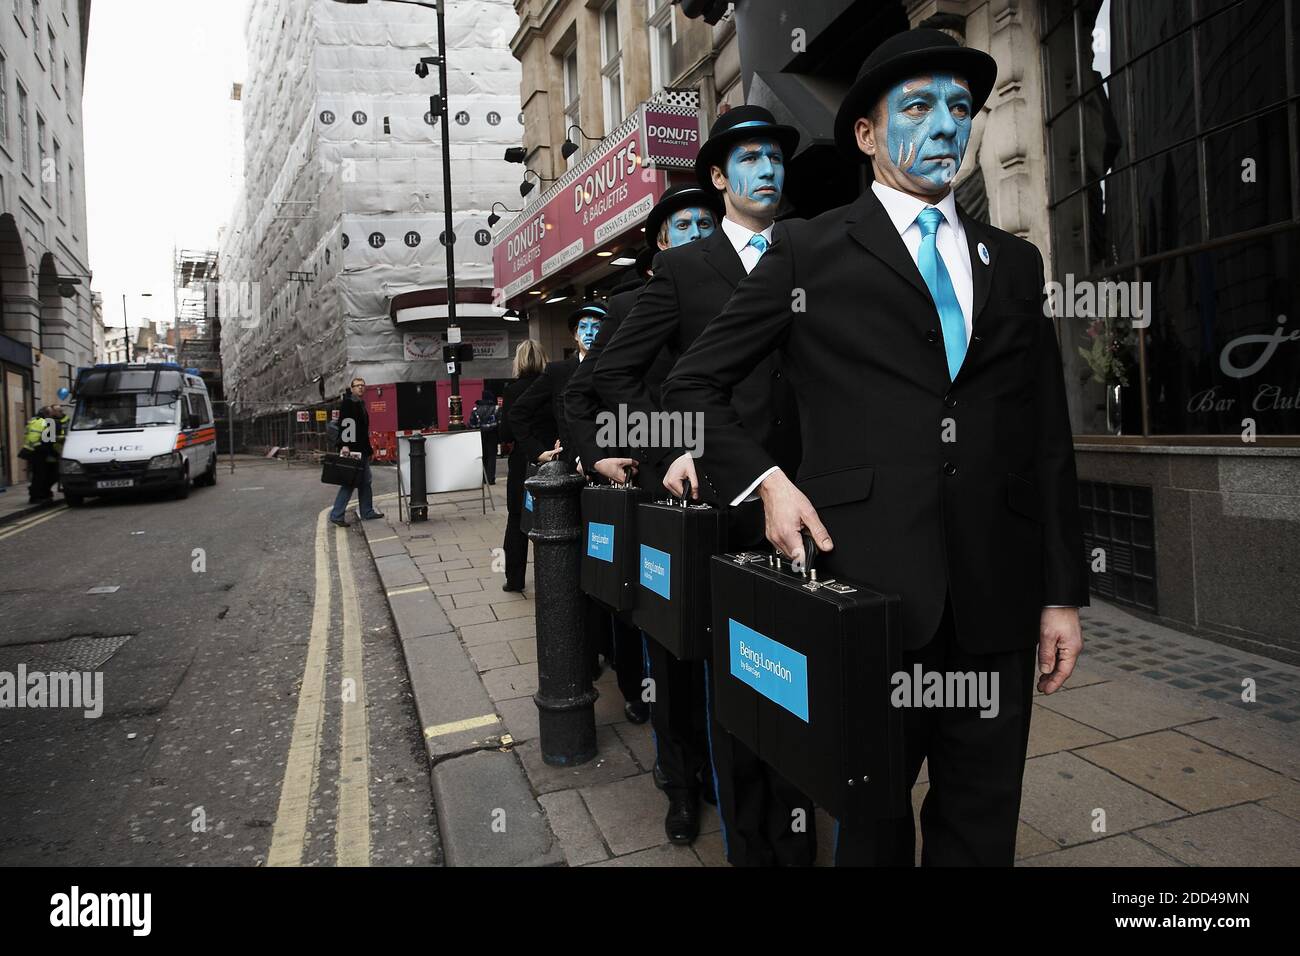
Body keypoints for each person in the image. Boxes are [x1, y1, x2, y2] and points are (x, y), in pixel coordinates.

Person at [662, 28, 1088, 866]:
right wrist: (768, 484)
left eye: (961, 109)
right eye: (919, 107)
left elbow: (1045, 435)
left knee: (982, 822)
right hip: (867, 594)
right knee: (873, 824)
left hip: (996, 600)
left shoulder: (1016, 263)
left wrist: (1060, 594)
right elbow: (692, 387)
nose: (945, 127)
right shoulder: (807, 250)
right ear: (865, 133)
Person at [593, 105, 813, 860]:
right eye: (749, 158)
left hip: (814, 503)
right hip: (725, 507)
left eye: (776, 157)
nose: (767, 169)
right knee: (740, 685)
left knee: (809, 682)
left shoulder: (816, 248)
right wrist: (671, 446)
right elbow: (611, 376)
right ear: (720, 177)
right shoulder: (684, 269)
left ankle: (799, 828)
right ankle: (748, 842)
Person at [561, 185, 725, 734]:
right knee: (667, 633)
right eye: (685, 226)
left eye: (707, 224)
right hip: (660, 492)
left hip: (731, 488)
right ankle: (677, 770)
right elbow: (582, 395)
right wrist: (598, 458)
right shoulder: (628, 306)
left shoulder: (741, 291)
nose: (698, 234)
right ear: (660, 242)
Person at [498, 340, 549, 593]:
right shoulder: (551, 384)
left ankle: (515, 579)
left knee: (517, 521)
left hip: (522, 463)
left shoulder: (512, 390)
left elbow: (505, 433)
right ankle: (551, 578)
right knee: (551, 519)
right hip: (552, 460)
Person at [329, 376, 384, 527]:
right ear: (352, 388)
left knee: (365, 481)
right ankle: (337, 514)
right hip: (354, 449)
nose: (360, 387)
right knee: (350, 482)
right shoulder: (349, 402)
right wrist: (345, 446)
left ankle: (367, 511)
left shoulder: (359, 403)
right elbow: (346, 425)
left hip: (361, 449)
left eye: (362, 385)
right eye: (357, 385)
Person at [22, 401, 67, 505]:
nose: (53, 414)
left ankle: (41, 494)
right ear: (48, 414)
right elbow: (48, 441)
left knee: (40, 475)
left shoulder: (34, 420)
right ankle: (37, 496)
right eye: (52, 412)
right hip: (40, 452)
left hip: (32, 451)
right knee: (43, 475)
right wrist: (54, 453)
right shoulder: (48, 422)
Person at [468, 390, 500, 484]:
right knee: (492, 456)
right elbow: (499, 423)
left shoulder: (476, 410)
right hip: (492, 435)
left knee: (483, 457)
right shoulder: (496, 409)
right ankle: (491, 478)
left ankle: (483, 478)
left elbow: (471, 424)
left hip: (480, 435)